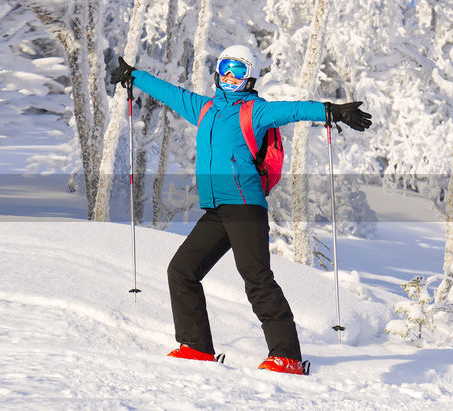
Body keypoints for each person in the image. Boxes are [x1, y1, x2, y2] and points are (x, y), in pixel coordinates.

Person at [107, 45, 373, 375]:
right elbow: (171, 93)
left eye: (238, 70)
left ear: (250, 77)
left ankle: (286, 355)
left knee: (256, 278)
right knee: (182, 270)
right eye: (225, 69)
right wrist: (135, 76)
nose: (230, 77)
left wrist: (332, 111)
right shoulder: (205, 109)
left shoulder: (255, 112)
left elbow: (292, 110)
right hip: (217, 210)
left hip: (246, 207)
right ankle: (196, 346)